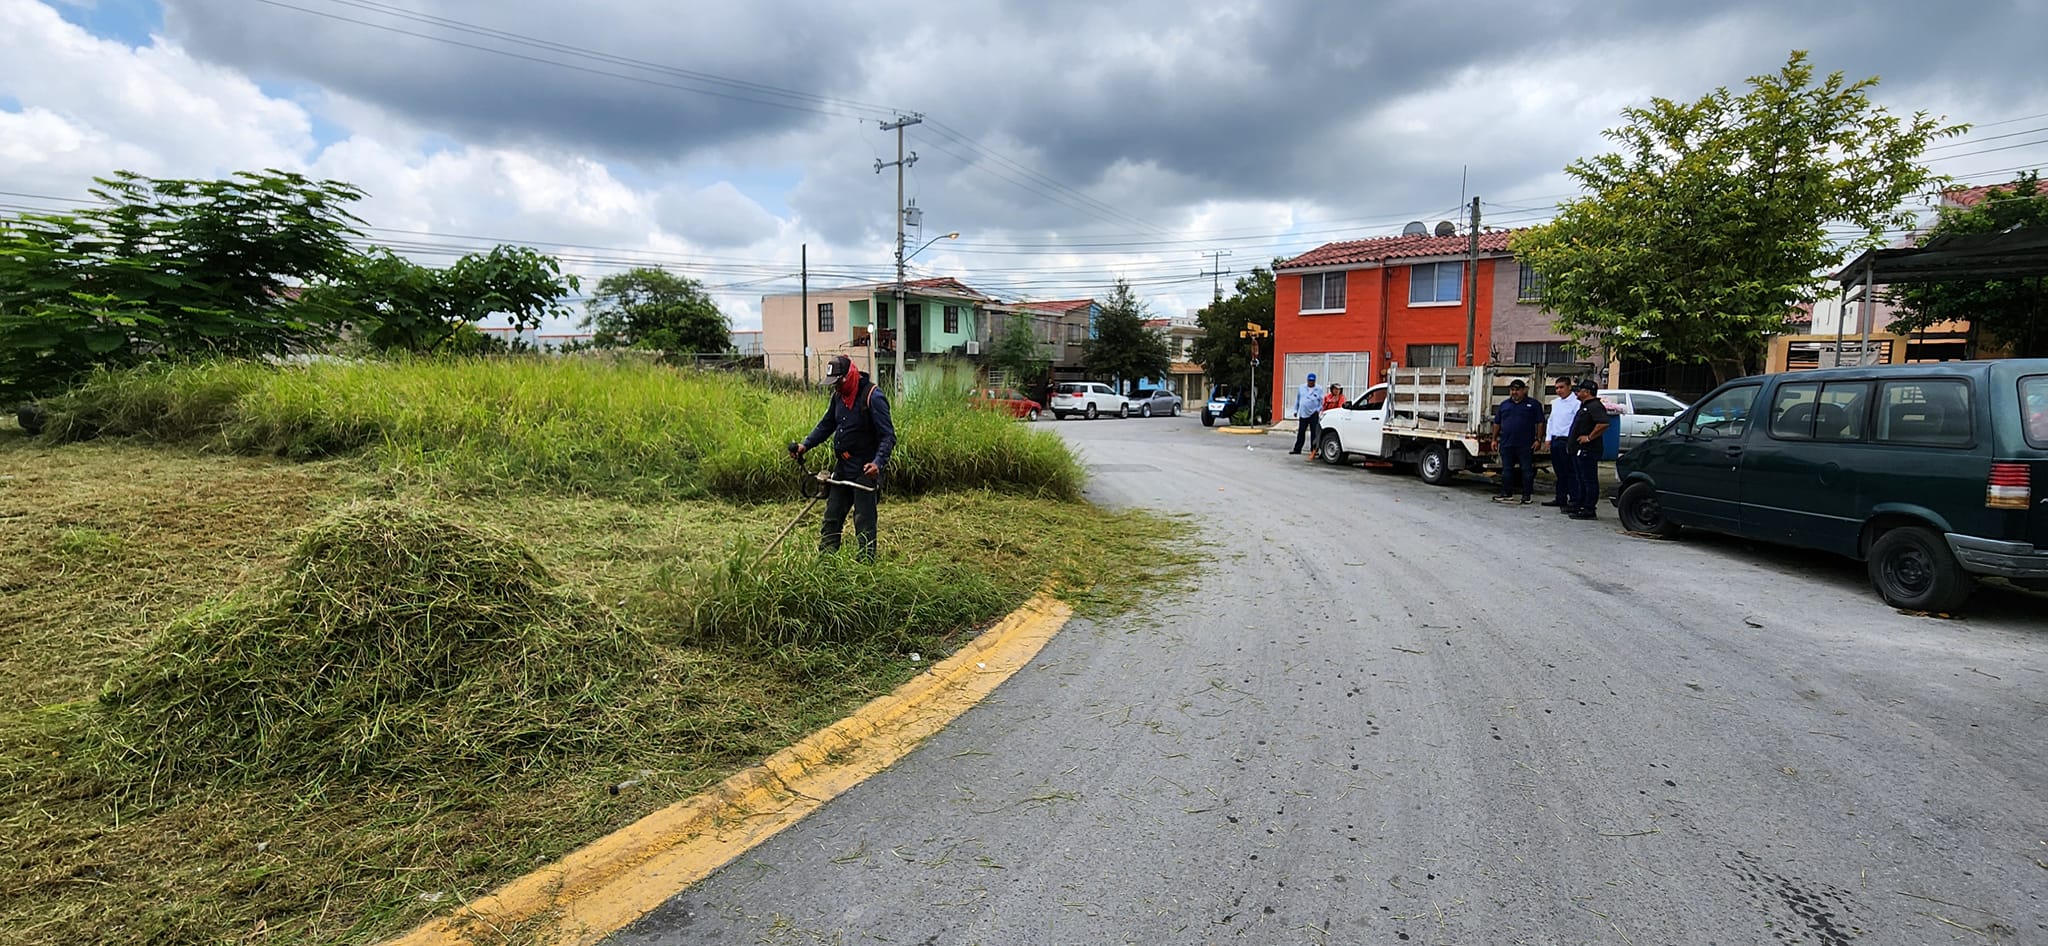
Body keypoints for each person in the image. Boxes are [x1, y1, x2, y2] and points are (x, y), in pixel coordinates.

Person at [790, 354, 896, 560]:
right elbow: (826, 424)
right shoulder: (838, 397)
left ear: (849, 376)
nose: (835, 388)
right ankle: (826, 564)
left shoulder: (872, 397)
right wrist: (805, 445)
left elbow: (888, 436)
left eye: (838, 383)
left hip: (865, 470)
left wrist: (878, 463)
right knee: (832, 517)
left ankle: (866, 569)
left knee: (864, 522)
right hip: (844, 467)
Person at [1490, 378, 1546, 504]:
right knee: (1506, 469)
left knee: (1526, 470)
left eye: (1517, 390)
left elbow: (1540, 423)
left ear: (1524, 390)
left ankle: (1526, 496)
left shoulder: (1533, 404)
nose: (1514, 392)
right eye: (1512, 390)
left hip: (1525, 444)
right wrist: (1494, 439)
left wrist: (1538, 439)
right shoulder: (1504, 405)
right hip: (1506, 443)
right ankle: (1506, 493)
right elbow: (1497, 423)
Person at [1565, 379, 1614, 520]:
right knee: (1581, 479)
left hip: (1588, 450)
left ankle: (1589, 508)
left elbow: (1603, 423)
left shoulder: (1595, 406)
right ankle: (1580, 505)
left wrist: (1589, 437)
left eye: (1579, 390)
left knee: (1589, 480)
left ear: (1587, 392)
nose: (1577, 393)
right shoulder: (1585, 405)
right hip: (1578, 450)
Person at [1543, 377, 1579, 509]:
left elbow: (1576, 423)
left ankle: (1574, 499)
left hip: (1568, 440)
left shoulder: (1576, 403)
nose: (1559, 390)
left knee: (1570, 471)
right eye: (1557, 388)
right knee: (1559, 471)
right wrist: (1548, 438)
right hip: (1556, 439)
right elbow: (1551, 421)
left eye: (1561, 387)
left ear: (1569, 387)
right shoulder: (1556, 403)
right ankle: (1560, 497)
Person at [1290, 372, 1325, 457]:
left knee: (1314, 432)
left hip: (1313, 413)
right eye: (1309, 381)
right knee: (1301, 432)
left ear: (1315, 381)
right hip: (1303, 412)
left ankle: (1314, 449)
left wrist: (1318, 410)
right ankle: (1297, 449)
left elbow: (1322, 401)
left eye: (1312, 381)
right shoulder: (1301, 388)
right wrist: (1295, 410)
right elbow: (1298, 400)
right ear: (1307, 380)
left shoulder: (1319, 389)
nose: (1311, 382)